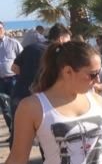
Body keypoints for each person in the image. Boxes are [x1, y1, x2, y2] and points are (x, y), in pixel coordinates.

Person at [11, 23, 72, 156]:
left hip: (20, 94)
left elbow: (14, 68)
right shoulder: (57, 55)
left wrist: (27, 76)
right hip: (41, 100)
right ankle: (46, 162)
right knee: (45, 134)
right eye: (68, 40)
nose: (68, 45)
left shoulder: (30, 47)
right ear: (61, 38)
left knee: (17, 136)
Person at [0, 21, 23, 132]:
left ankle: (21, 131)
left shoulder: (13, 43)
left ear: (4, 29)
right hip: (0, 82)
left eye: (0, 28)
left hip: (13, 79)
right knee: (5, 108)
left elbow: (23, 58)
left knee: (17, 106)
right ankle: (12, 132)